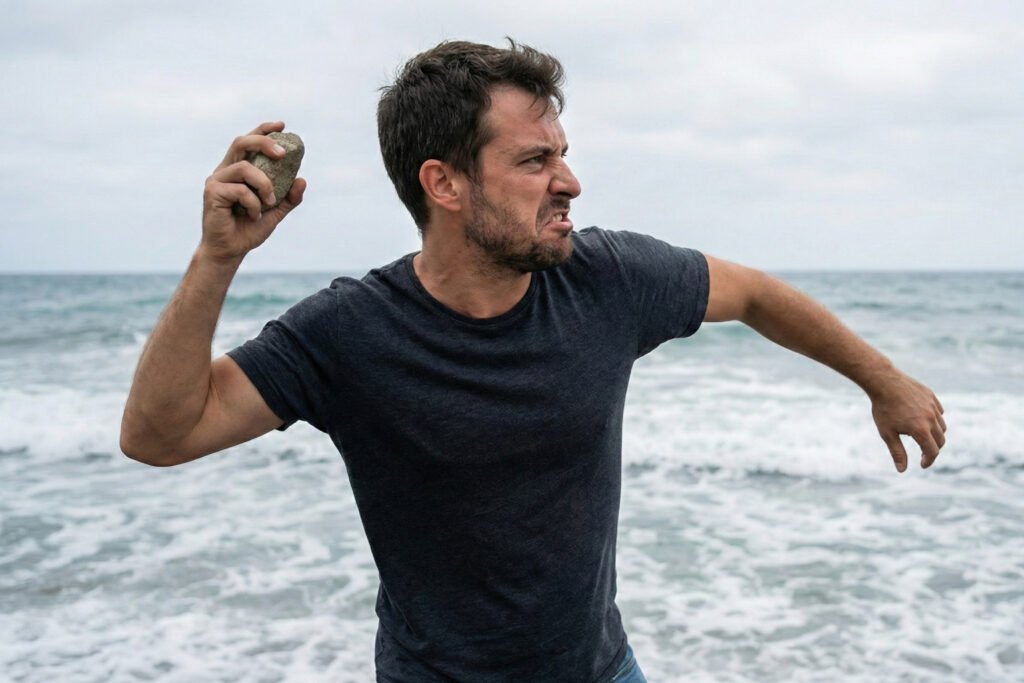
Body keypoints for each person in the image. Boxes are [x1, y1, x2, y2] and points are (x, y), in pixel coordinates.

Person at [120, 39, 947, 683]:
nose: (570, 182)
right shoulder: (350, 331)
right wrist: (217, 258)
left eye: (562, 152)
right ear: (444, 184)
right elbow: (160, 433)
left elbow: (755, 293)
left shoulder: (609, 278)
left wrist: (884, 380)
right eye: (534, 160)